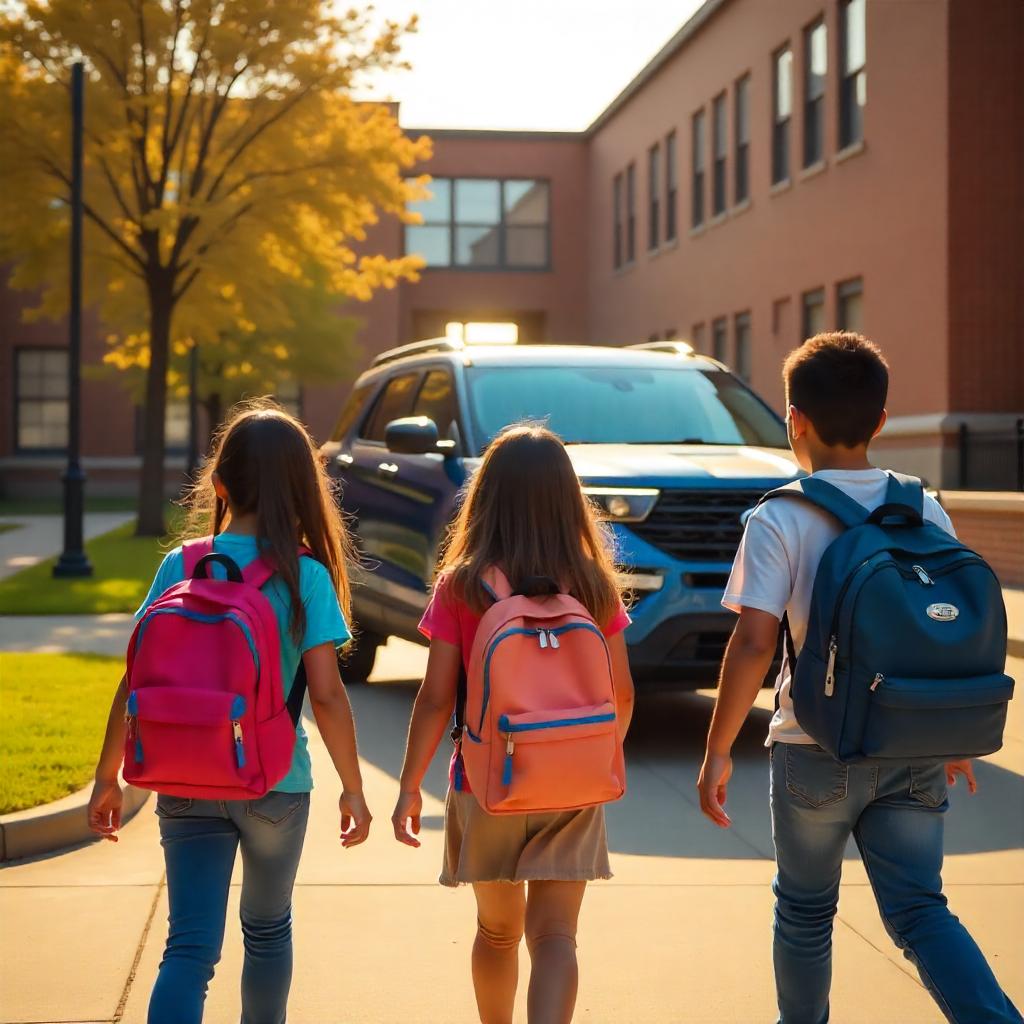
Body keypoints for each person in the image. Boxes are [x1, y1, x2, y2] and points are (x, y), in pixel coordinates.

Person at [697, 333, 1021, 1024]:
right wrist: (950, 730)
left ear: (794, 419)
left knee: (807, 912)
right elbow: (944, 626)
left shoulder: (780, 515)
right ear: (880, 421)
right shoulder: (924, 507)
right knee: (920, 910)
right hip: (913, 745)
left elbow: (755, 642)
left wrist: (717, 748)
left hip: (815, 748)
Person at [87, 401, 372, 1024]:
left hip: (185, 776)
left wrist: (107, 777)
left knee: (188, 947)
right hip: (274, 780)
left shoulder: (181, 564)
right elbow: (325, 694)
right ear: (303, 488)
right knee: (267, 933)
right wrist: (354, 789)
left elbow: (133, 680)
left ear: (219, 484)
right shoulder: (304, 576)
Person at [391, 423, 635, 1024]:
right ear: (567, 498)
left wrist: (406, 787)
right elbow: (621, 693)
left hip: (486, 783)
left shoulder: (464, 585)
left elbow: (434, 698)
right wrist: (588, 760)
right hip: (571, 785)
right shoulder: (594, 584)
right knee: (556, 937)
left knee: (498, 934)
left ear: (487, 496)